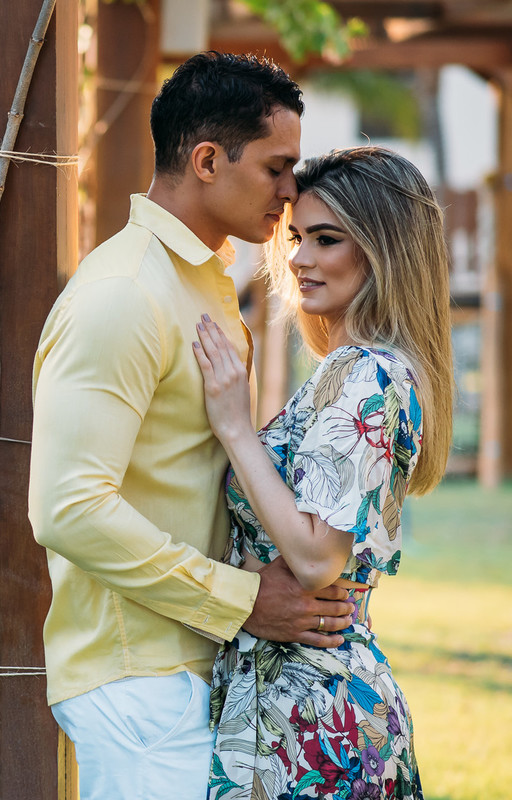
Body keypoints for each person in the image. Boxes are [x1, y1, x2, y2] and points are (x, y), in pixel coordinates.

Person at [27, 51, 355, 800]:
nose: (290, 189)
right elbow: (67, 507)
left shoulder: (201, 283)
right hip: (138, 680)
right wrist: (242, 599)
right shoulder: (122, 293)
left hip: (197, 667)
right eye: (277, 167)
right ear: (207, 160)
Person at [194, 146, 452, 800]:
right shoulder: (356, 370)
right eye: (297, 237)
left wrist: (234, 426)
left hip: (316, 725)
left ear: (382, 250)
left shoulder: (368, 374)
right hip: (294, 707)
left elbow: (315, 559)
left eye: (327, 239)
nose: (300, 258)